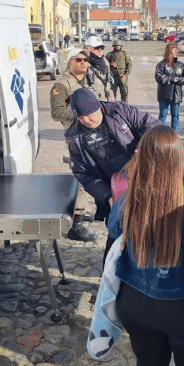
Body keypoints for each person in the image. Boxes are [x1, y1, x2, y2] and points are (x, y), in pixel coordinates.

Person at [106, 125, 184, 366]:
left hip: (137, 302)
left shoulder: (126, 201)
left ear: (141, 159)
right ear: (180, 160)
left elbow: (114, 231)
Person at [66, 88, 160, 250]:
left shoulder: (120, 110)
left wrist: (144, 147)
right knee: (117, 238)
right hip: (115, 193)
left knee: (153, 228)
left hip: (145, 180)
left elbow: (153, 126)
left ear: (98, 107)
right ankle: (114, 270)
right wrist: (107, 196)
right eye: (81, 117)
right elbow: (83, 173)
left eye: (90, 114)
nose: (87, 120)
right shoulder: (75, 137)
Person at [49, 49, 102, 241]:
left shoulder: (85, 81)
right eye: (78, 60)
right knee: (82, 177)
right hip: (76, 137)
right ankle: (75, 225)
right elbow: (57, 112)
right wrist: (82, 115)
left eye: (85, 60)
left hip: (91, 134)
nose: (83, 62)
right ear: (70, 62)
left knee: (93, 172)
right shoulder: (62, 85)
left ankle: (82, 210)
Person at [154, 42, 184, 133]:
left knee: (175, 115)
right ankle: (160, 134)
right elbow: (158, 77)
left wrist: (179, 80)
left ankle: (175, 134)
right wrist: (170, 79)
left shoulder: (180, 65)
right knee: (163, 114)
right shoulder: (162, 64)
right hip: (164, 94)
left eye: (176, 51)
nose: (176, 52)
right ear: (169, 52)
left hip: (176, 94)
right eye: (174, 51)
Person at [84, 35, 115, 99]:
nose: (100, 50)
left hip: (105, 102)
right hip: (92, 102)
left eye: (102, 48)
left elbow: (109, 85)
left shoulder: (105, 62)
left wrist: (112, 103)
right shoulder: (83, 63)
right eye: (97, 48)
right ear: (87, 48)